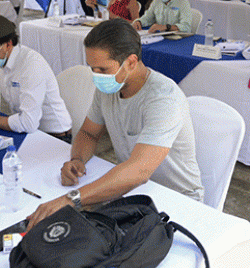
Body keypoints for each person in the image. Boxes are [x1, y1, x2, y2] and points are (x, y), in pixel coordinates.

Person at [26, 19, 204, 230]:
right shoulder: (109, 88)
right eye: (92, 68)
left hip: (177, 201)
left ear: (130, 62)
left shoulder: (163, 98)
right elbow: (89, 133)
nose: (96, 77)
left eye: (102, 69)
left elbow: (139, 171)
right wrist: (77, 159)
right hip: (134, 193)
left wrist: (71, 198)